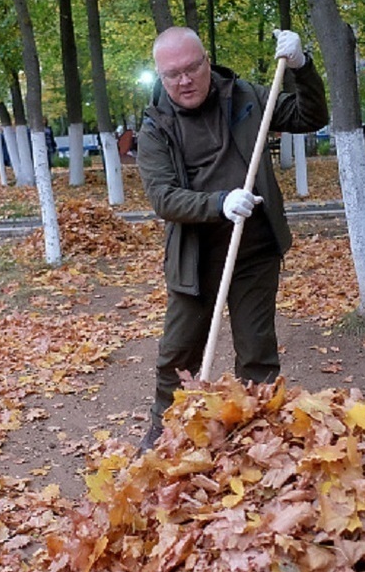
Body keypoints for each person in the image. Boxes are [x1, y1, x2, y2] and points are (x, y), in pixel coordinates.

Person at [135, 26, 328, 451]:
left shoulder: (247, 97)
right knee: (177, 355)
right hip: (195, 258)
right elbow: (163, 197)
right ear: (159, 77)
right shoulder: (156, 127)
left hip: (253, 251)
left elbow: (310, 116)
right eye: (172, 74)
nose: (184, 81)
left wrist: (301, 67)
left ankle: (258, 435)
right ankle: (164, 433)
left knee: (257, 353)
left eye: (192, 68)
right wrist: (219, 203)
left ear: (207, 62)